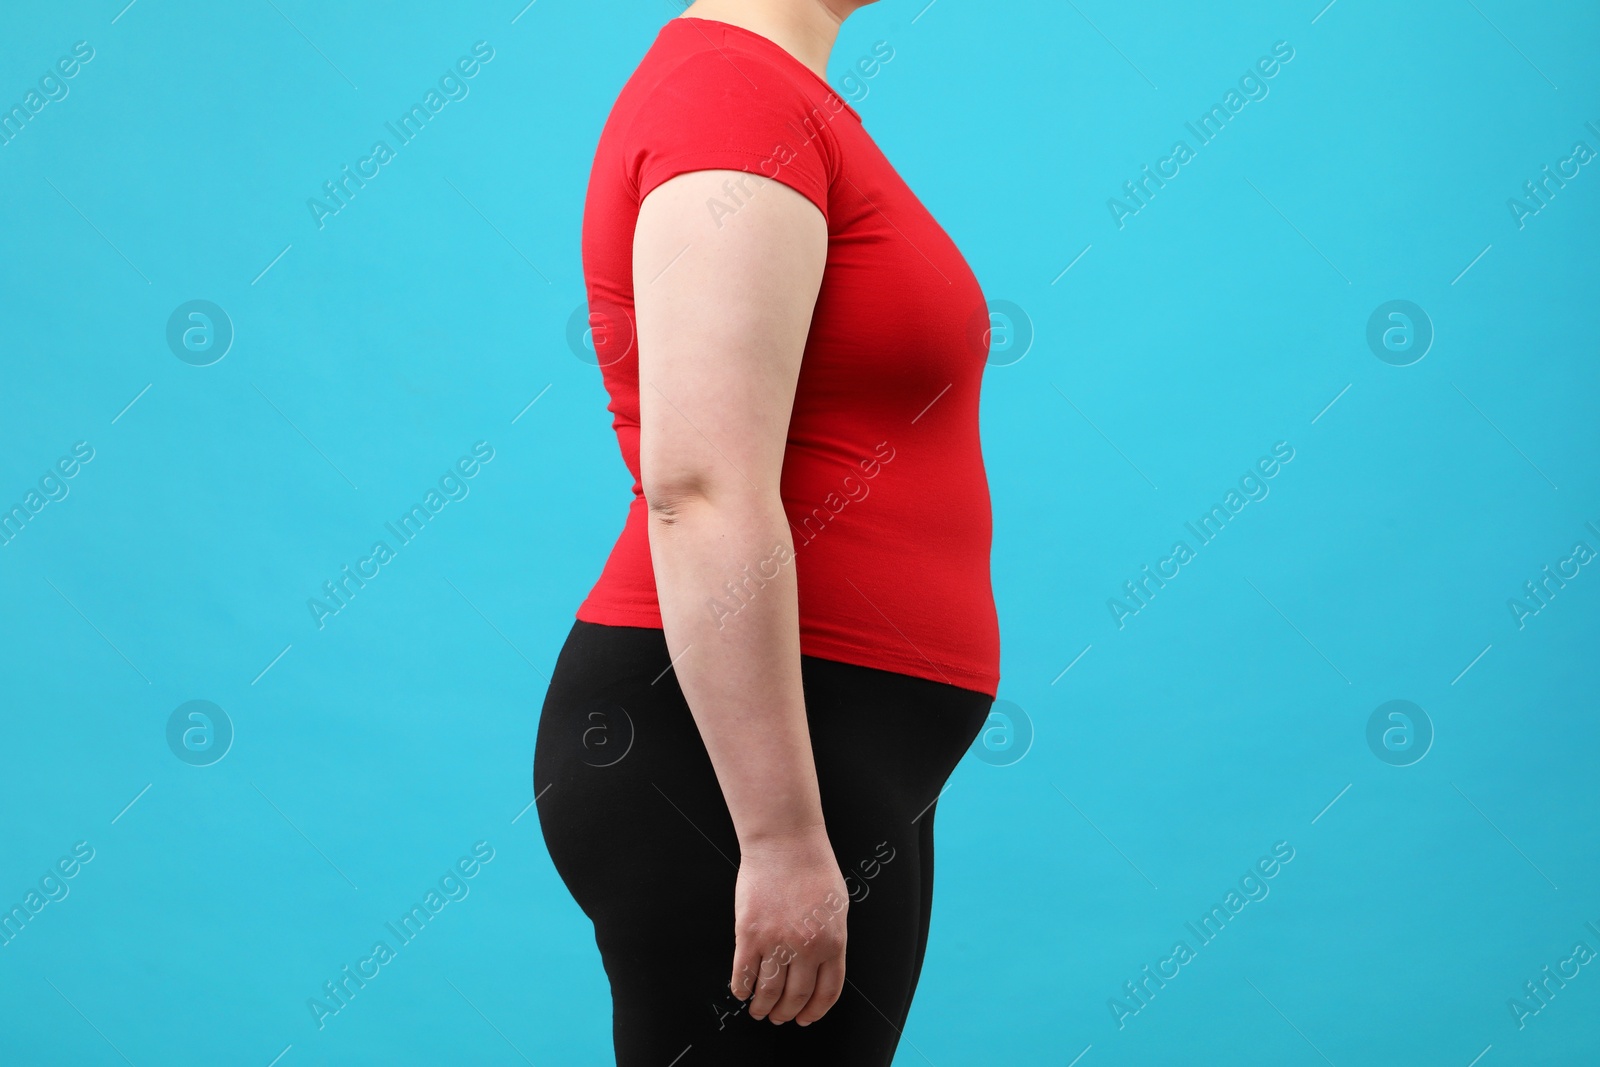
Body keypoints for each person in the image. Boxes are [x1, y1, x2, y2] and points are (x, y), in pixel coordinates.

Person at [533, 0, 1002, 1061]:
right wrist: (781, 835)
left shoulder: (777, 96)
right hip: (736, 760)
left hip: (831, 750)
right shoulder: (729, 102)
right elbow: (697, 485)